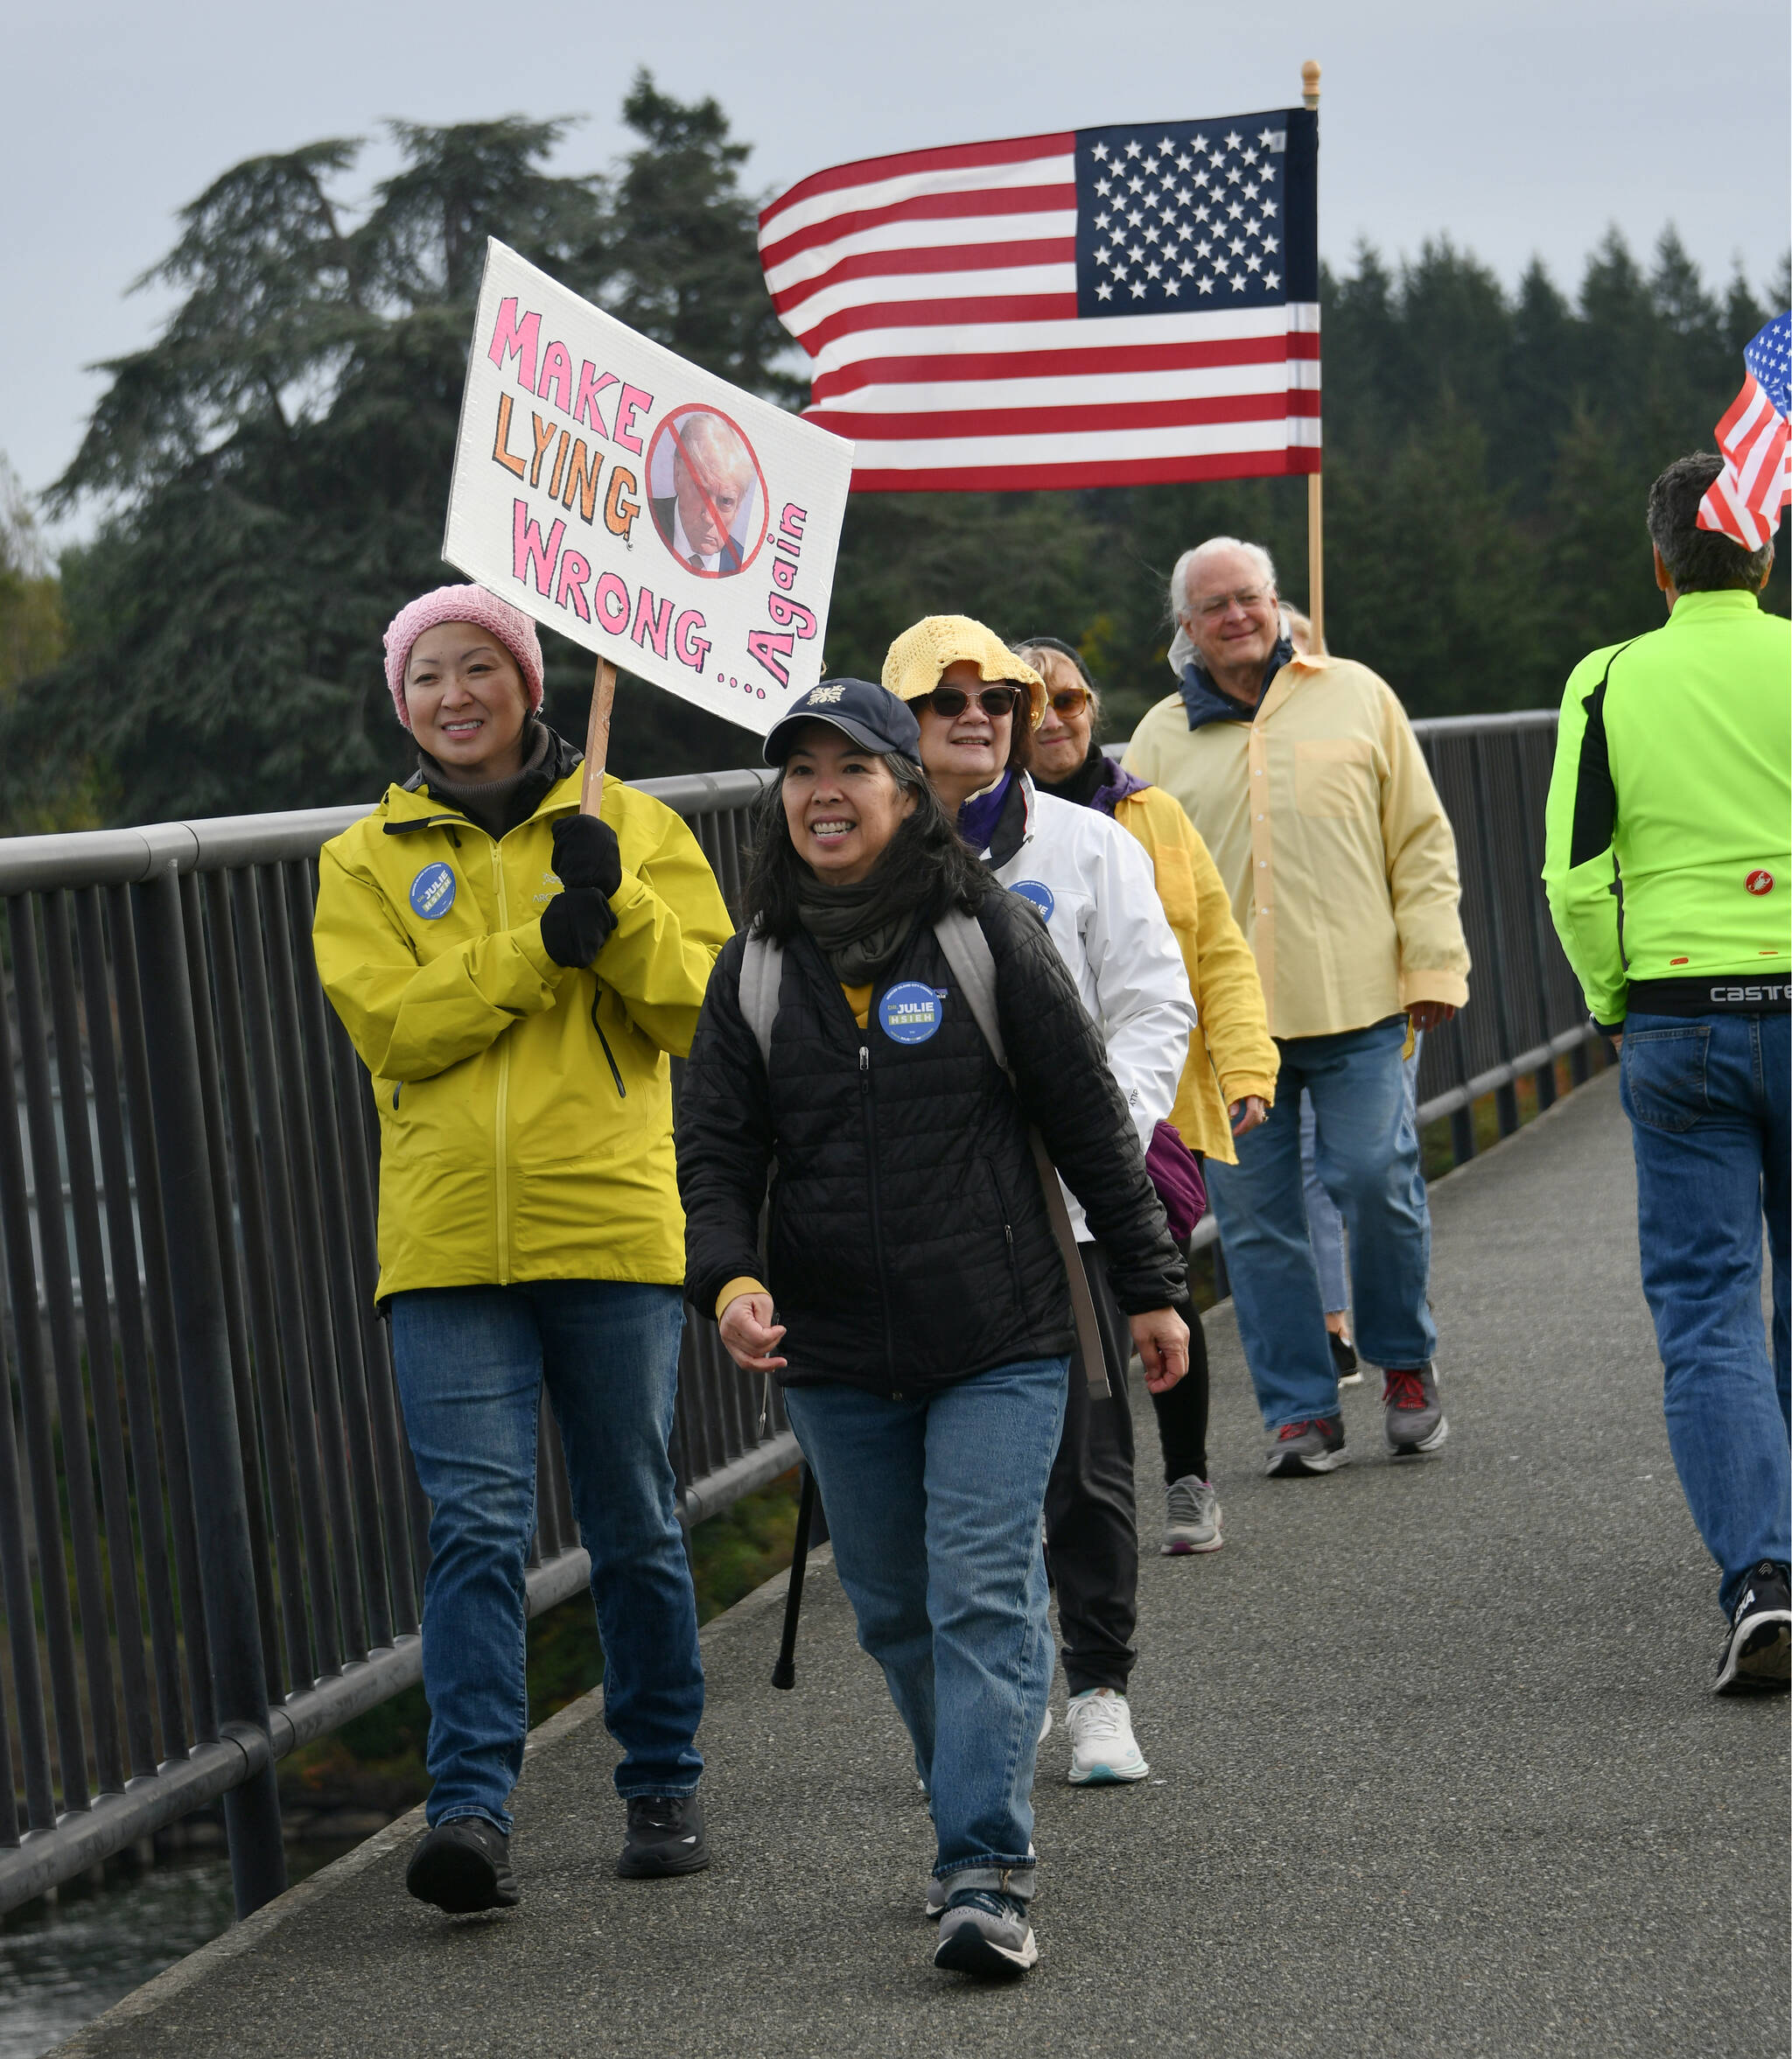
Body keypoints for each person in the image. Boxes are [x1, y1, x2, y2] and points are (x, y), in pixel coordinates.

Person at [676, 678, 1188, 1978]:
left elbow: (1085, 1120)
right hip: (837, 1351)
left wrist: (1148, 1287)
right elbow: (716, 1155)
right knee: (896, 1610)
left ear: (909, 794)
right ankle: (968, 1791)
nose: (823, 792)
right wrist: (729, 1280)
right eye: (799, 771)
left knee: (980, 1593)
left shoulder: (985, 935)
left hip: (1004, 1330)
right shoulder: (757, 968)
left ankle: (981, 1866)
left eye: (852, 767)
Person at [312, 585, 732, 1914]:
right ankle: (471, 1813)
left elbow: (701, 1012)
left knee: (633, 1519)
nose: (455, 694)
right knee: (477, 1530)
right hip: (442, 1246)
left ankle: (661, 1775)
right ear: (402, 701)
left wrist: (615, 917)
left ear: (530, 681)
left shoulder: (638, 824)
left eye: (480, 666)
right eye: (428, 673)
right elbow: (398, 1027)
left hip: (608, 1221)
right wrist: (538, 944)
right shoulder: (363, 862)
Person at [881, 615, 1196, 1789]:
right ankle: (968, 1711)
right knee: (942, 1480)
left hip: (1065, 1210)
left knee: (1085, 1460)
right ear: (902, 721)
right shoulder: (862, 852)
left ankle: (1101, 1688)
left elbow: (1155, 1001)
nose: (977, 715)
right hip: (922, 1215)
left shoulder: (1088, 845)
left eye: (998, 700)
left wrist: (1089, 1133)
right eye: (947, 698)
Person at [1126, 539, 1471, 1475]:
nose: (1234, 617)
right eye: (1211, 608)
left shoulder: (1357, 694)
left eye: (1247, 598)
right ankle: (1298, 1412)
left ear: (1275, 602)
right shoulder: (1158, 739)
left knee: (1373, 1179)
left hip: (1360, 1000)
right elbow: (1142, 891)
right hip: (1231, 1032)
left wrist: (1433, 964)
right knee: (1255, 1221)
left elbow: (1420, 839)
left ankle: (1403, 1362)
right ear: (1184, 631)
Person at [1544, 452, 1790, 1695]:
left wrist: (1614, 1004)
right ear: (1766, 554)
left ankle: (1761, 1575)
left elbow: (1575, 877)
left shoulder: (1610, 679)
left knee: (1706, 1309)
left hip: (1685, 1013)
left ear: (1661, 563)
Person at [1013, 633, 1279, 1550]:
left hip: (1149, 1100)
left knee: (1150, 1276)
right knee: (1052, 1297)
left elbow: (1214, 952)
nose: (1054, 718)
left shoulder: (1149, 815)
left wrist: (1244, 1063)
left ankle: (1185, 1476)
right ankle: (1076, 1491)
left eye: (1071, 699)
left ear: (1095, 711)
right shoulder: (965, 827)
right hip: (1025, 1115)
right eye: (1033, 699)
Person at [650, 411, 754, 574]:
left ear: (739, 506)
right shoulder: (640, 515)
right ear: (677, 473)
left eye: (725, 501)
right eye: (701, 492)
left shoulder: (746, 571)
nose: (709, 518)